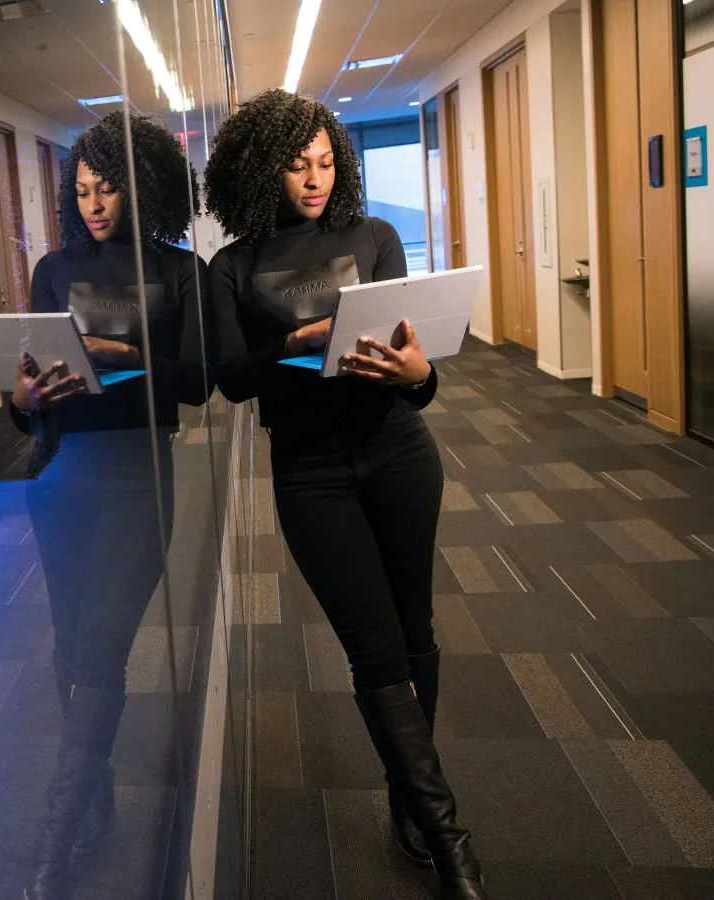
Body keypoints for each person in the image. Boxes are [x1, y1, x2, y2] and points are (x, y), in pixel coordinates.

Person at [202, 89, 486, 900]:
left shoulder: (376, 237)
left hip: (398, 452)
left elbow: (414, 376)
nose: (315, 179)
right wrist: (293, 343)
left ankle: (408, 797)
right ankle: (448, 833)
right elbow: (228, 379)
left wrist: (422, 373)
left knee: (415, 628)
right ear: (262, 170)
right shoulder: (234, 267)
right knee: (374, 648)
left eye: (326, 163)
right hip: (310, 471)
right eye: (297, 166)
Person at [8, 111, 206, 900]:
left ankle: (58, 833)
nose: (93, 203)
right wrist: (23, 397)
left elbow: (198, 384)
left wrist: (130, 355)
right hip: (65, 474)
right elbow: (32, 400)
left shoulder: (178, 270)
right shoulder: (53, 269)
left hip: (138, 476)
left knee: (101, 652)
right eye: (83, 190)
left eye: (108, 187)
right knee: (68, 650)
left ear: (142, 183)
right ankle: (94, 801)